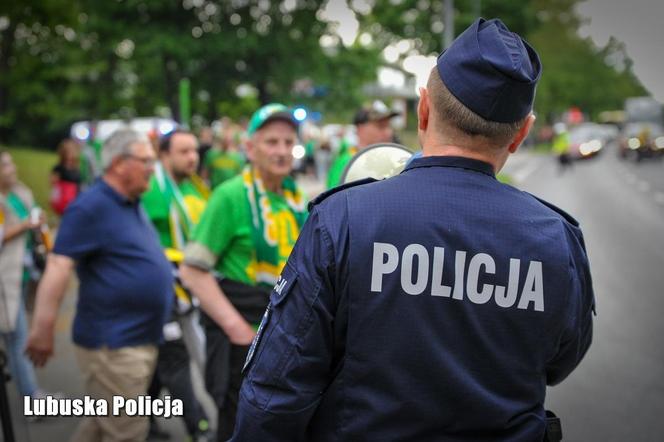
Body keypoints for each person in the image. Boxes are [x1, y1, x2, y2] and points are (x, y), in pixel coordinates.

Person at [231, 18, 595, 441]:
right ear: (521, 134)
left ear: (423, 108)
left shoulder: (342, 219)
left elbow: (277, 390)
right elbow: (561, 361)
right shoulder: (557, 239)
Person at [26, 129, 173, 442]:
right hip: (114, 345)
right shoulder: (91, 206)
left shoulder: (130, 201)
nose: (153, 167)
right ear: (120, 164)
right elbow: (58, 264)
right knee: (128, 432)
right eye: (146, 161)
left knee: (98, 426)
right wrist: (42, 328)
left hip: (136, 340)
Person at [179, 103, 308, 441]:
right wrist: (237, 328)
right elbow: (192, 271)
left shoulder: (296, 198)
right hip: (244, 344)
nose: (281, 151)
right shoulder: (230, 196)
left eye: (287, 142)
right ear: (250, 148)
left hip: (282, 342)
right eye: (271, 142)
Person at [141, 129, 211, 441]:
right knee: (175, 356)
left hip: (191, 287)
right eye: (183, 151)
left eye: (194, 150)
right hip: (158, 290)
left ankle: (145, 424)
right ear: (164, 154)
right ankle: (200, 426)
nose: (192, 157)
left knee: (161, 359)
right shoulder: (150, 187)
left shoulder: (194, 187)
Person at [0, 150, 51, 403]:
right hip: (4, 277)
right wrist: (24, 225)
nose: (12, 168)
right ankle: (32, 397)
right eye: (5, 165)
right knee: (16, 336)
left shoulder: (21, 192)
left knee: (14, 334)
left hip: (23, 272)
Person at [326, 99, 399, 188]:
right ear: (360, 128)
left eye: (389, 126)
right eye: (381, 126)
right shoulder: (347, 162)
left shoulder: (394, 160)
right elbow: (333, 199)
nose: (388, 132)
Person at [202, 123, 245, 189]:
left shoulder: (237, 156)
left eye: (228, 139)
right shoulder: (211, 154)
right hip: (214, 189)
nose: (226, 141)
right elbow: (205, 172)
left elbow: (240, 175)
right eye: (224, 139)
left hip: (231, 190)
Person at [50, 138, 82, 216]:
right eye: (68, 152)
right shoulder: (58, 168)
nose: (71, 154)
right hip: (63, 200)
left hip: (76, 197)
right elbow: (53, 185)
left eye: (73, 151)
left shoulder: (77, 168)